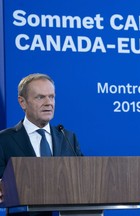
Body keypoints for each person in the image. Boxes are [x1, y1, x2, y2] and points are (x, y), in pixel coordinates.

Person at [0, 73, 83, 214]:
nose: (48, 103)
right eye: (40, 97)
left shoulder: (68, 138)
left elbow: (83, 178)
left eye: (51, 97)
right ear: (22, 102)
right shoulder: (4, 140)